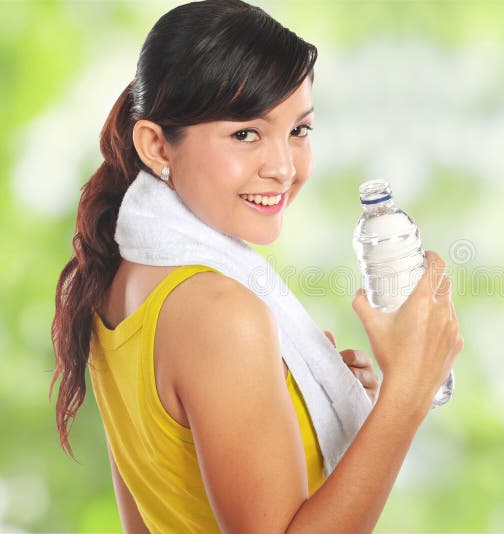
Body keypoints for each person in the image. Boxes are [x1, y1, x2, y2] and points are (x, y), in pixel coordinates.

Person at [49, 0, 464, 532]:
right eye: (246, 133)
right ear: (156, 145)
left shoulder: (115, 288)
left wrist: (317, 412)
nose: (284, 167)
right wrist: (408, 390)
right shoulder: (220, 313)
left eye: (299, 130)